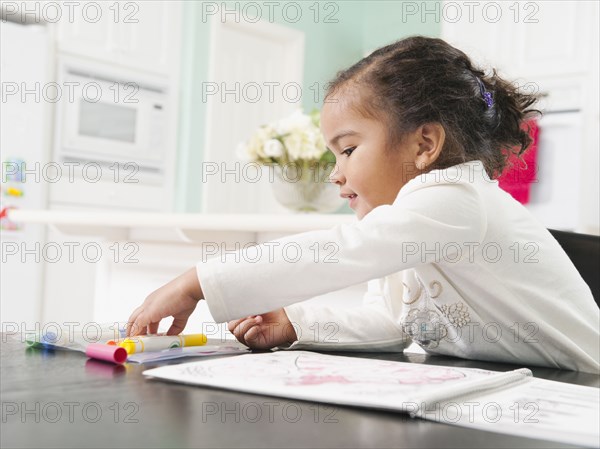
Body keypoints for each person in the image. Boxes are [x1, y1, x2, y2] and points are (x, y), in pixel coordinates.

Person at [126, 36, 599, 373]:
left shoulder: (457, 199)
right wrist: (297, 322)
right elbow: (390, 322)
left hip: (584, 387)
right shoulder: (407, 227)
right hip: (518, 390)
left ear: (424, 144)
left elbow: (344, 249)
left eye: (348, 150)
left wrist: (198, 282)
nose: (336, 173)